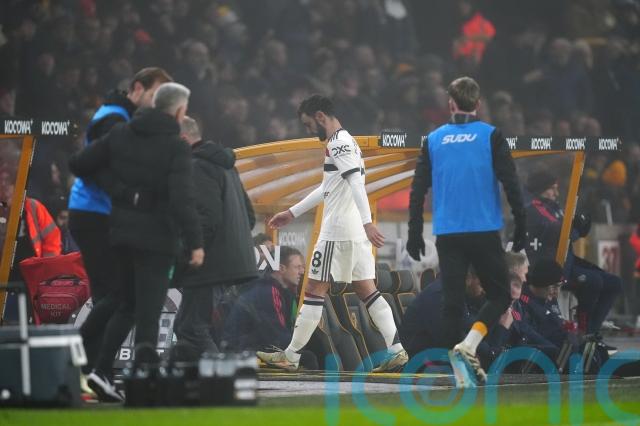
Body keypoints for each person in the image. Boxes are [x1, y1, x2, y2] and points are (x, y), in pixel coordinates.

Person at [69, 82, 204, 402]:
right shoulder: (176, 146)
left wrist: (120, 192)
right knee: (148, 313)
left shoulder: (121, 134)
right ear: (180, 111)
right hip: (158, 239)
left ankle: (100, 371)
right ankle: (144, 386)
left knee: (126, 303)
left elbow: (80, 164)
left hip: (120, 235)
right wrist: (196, 242)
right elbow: (182, 199)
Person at [257, 94, 408, 372]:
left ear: (320, 117)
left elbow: (356, 184)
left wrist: (368, 223)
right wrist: (293, 212)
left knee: (314, 290)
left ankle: (291, 356)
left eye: (308, 124)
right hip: (354, 232)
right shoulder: (346, 141)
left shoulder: (338, 143)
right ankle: (396, 350)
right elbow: (329, 187)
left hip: (337, 231)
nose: (308, 130)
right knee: (367, 289)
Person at [407, 76, 527, 387]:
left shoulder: (433, 140)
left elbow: (418, 189)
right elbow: (511, 182)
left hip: (448, 232)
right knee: (500, 295)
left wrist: (414, 231)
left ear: (451, 104)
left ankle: (460, 375)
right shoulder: (491, 135)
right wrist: (521, 223)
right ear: (478, 104)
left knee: (452, 303)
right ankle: (470, 345)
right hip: (483, 228)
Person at [67, 67, 172, 376]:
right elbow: (94, 167)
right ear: (137, 88)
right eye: (154, 94)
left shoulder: (122, 118)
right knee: (116, 293)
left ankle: (90, 369)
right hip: (94, 213)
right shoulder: (114, 120)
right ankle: (77, 361)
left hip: (102, 213)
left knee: (114, 294)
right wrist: (129, 194)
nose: (157, 102)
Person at [172, 116, 257, 361]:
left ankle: (221, 377)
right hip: (227, 263)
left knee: (192, 328)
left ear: (182, 139)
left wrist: (189, 253)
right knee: (186, 327)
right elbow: (249, 217)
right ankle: (193, 377)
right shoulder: (226, 166)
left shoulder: (196, 166)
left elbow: (205, 218)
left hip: (209, 264)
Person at [525, 170, 622, 338]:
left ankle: (592, 331)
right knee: (594, 282)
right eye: (552, 188)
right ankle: (585, 333)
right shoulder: (534, 208)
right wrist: (574, 227)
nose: (556, 193)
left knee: (615, 283)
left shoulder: (555, 207)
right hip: (555, 267)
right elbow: (561, 232)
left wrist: (582, 224)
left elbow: (571, 231)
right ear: (541, 188)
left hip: (568, 262)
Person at [223, 246, 304, 352]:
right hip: (243, 352)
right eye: (297, 267)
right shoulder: (269, 291)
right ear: (281, 269)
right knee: (307, 357)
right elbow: (278, 335)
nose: (302, 271)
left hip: (249, 347)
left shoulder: (271, 288)